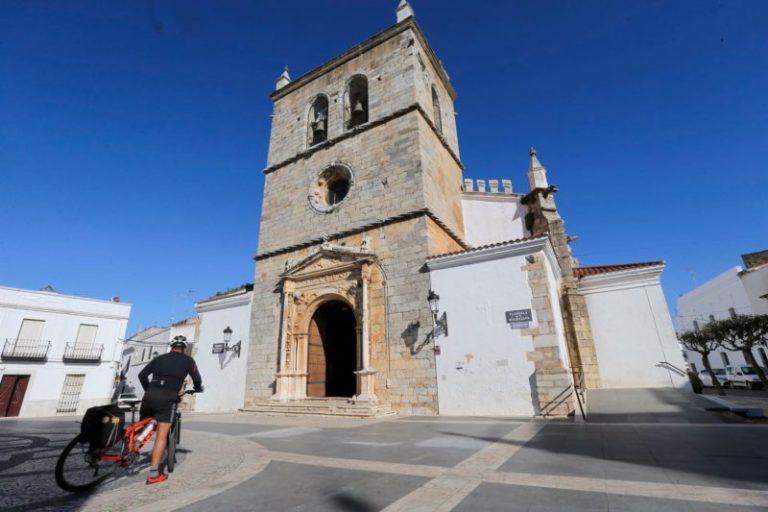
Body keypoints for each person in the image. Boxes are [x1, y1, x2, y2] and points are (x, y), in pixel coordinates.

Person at [138, 335, 203, 484]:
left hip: (149, 395)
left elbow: (142, 375)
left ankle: (130, 446)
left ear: (171, 346)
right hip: (168, 398)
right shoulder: (189, 361)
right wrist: (198, 388)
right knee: (162, 434)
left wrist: (149, 390)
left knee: (141, 426)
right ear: (184, 348)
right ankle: (154, 474)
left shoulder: (159, 359)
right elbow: (197, 380)